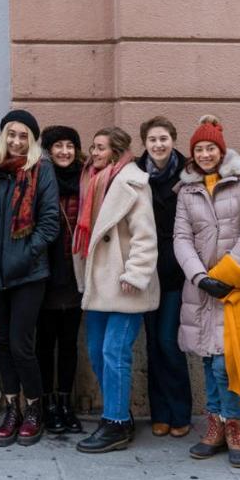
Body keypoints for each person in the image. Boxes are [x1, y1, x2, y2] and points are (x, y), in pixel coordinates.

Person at [174, 116, 240, 468]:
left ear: (221, 150)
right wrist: (200, 277)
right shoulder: (186, 190)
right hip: (201, 289)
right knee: (208, 358)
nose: (204, 154)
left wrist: (224, 273)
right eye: (198, 149)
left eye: (210, 148)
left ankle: (234, 424)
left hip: (238, 285)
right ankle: (214, 423)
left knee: (228, 361)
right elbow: (181, 238)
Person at [0, 109, 60, 447]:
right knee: (2, 342)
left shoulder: (41, 171)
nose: (17, 141)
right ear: (3, 136)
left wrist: (25, 256)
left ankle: (34, 407)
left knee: (22, 344)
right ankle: (12, 408)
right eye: (12, 134)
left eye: (24, 136)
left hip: (28, 274)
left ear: (33, 140)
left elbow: (49, 222)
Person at [73, 127, 159, 453]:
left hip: (124, 283)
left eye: (100, 148)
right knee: (97, 350)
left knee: (114, 352)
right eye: (92, 147)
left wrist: (135, 275)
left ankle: (115, 423)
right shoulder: (91, 181)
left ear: (116, 150)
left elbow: (145, 236)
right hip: (100, 284)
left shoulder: (132, 183)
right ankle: (119, 412)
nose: (93, 153)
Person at [137, 116, 192, 438]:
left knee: (169, 342)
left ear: (173, 140)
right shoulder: (135, 173)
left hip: (175, 271)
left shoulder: (189, 172)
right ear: (144, 143)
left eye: (163, 139)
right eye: (152, 139)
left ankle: (180, 411)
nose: (158, 145)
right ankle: (159, 413)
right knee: (152, 344)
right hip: (145, 271)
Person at [37, 125, 85, 435]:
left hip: (76, 274)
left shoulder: (87, 179)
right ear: (49, 150)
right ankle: (47, 404)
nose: (64, 151)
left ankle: (66, 403)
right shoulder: (40, 178)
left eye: (70, 145)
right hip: (44, 273)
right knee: (44, 343)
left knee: (69, 344)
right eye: (58, 146)